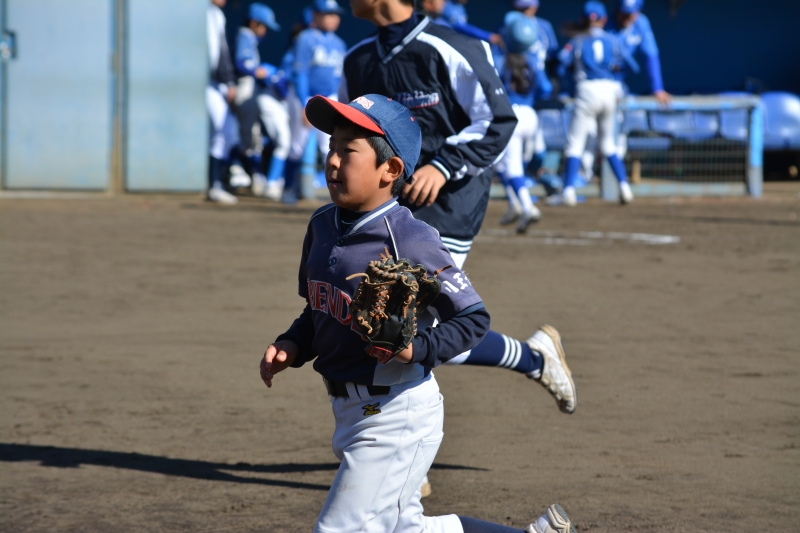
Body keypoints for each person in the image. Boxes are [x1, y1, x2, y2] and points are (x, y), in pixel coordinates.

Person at [259, 92, 578, 533]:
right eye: (331, 147)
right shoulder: (320, 226)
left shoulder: (410, 238)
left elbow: (473, 319)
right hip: (349, 411)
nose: (332, 160)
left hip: (396, 413)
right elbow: (316, 309)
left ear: (390, 169)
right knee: (406, 529)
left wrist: (418, 348)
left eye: (348, 151)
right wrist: (293, 343)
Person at [341, 0, 577, 498]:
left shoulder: (455, 47)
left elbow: (499, 121)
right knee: (386, 327)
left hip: (451, 201)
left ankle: (404, 459)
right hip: (388, 206)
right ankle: (532, 357)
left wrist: (443, 165)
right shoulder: (357, 58)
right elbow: (352, 138)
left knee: (402, 329)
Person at [556, 1, 639, 206]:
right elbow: (633, 66)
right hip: (609, 90)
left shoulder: (577, 40)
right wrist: (615, 71)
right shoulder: (613, 39)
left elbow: (560, 63)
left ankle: (568, 191)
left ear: (583, 19)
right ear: (604, 19)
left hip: (587, 89)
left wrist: (568, 79)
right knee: (608, 144)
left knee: (575, 144)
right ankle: (624, 187)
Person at [283, 0, 347, 204]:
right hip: (305, 96)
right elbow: (299, 73)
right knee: (297, 146)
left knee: (330, 146)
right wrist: (304, 104)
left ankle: (336, 193)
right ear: (315, 16)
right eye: (328, 14)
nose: (333, 18)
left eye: (335, 14)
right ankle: (288, 189)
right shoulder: (305, 38)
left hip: (330, 98)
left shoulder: (339, 44)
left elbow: (338, 79)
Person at [495, 13, 552, 232]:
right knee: (500, 164)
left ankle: (528, 207)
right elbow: (546, 89)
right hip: (530, 116)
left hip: (511, 117)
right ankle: (515, 203)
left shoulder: (501, 62)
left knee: (512, 168)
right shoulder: (534, 62)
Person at [233, 3, 290, 200]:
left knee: (254, 139)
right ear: (254, 23)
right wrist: (260, 72)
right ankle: (241, 172)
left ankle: (256, 177)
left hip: (250, 89)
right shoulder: (245, 35)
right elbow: (240, 64)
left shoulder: (249, 38)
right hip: (244, 88)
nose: (264, 31)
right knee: (246, 139)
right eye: (263, 26)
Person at [606, 0, 671, 106]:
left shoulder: (641, 23)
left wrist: (657, 88)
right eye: (623, 13)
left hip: (618, 82)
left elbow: (650, 56)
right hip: (600, 80)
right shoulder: (605, 23)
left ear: (638, 12)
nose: (626, 18)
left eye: (630, 14)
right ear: (617, 10)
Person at [206, 0, 240, 205]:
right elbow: (221, 52)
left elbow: (221, 51)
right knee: (222, 129)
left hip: (211, 81)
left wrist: (227, 80)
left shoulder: (216, 14)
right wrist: (229, 80)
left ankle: (216, 183)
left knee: (226, 130)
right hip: (201, 81)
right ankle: (214, 183)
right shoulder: (202, 11)